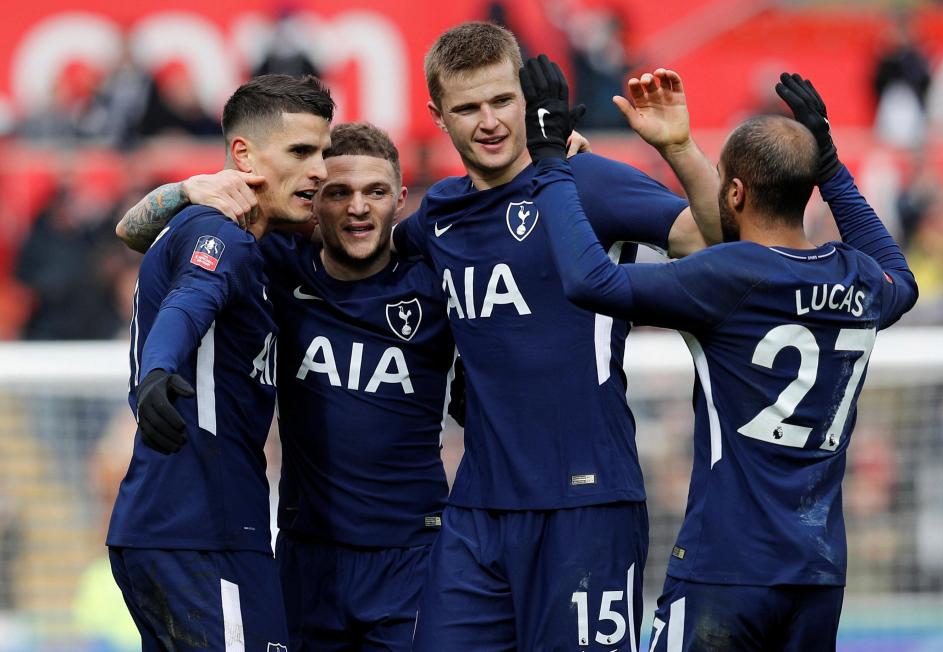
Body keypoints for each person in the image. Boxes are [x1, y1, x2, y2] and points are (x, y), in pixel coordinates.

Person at [525, 63, 918, 650]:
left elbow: (591, 283)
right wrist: (831, 166)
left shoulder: (725, 278)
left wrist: (552, 165)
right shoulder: (861, 279)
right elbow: (902, 278)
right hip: (817, 573)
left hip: (725, 569)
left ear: (734, 192)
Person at [390, 23, 720, 651]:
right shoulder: (438, 216)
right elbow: (364, 267)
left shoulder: (587, 183)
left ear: (525, 96)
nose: (488, 122)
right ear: (437, 115)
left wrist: (679, 148)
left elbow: (713, 243)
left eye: (502, 101)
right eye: (467, 108)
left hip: (586, 502)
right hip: (477, 510)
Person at [116, 122, 458, 651]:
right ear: (313, 200)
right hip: (306, 556)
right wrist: (187, 190)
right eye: (338, 192)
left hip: (412, 557)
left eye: (376, 192)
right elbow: (136, 233)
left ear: (401, 199)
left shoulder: (435, 281)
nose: (358, 207)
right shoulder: (273, 266)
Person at [106, 73, 333, 651]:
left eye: (323, 153)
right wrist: (158, 371)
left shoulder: (238, 235)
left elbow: (127, 230)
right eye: (301, 152)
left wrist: (183, 189)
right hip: (203, 526)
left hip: (181, 526)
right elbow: (189, 303)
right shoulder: (222, 236)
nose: (320, 172)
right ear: (244, 156)